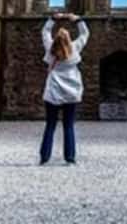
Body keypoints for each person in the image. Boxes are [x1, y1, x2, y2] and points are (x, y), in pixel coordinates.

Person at [39, 12, 89, 165]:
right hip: (71, 92)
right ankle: (70, 157)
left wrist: (53, 19)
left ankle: (45, 157)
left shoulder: (50, 49)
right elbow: (85, 34)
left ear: (56, 39)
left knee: (50, 125)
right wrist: (78, 20)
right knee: (68, 125)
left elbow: (45, 32)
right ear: (68, 39)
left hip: (53, 91)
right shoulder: (74, 49)